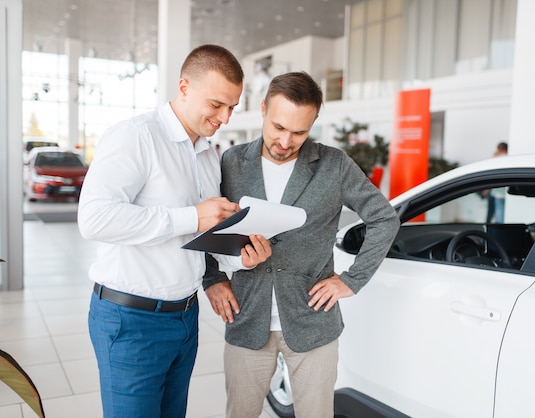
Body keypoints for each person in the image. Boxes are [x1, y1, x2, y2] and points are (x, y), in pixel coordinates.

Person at [77, 44, 271, 418]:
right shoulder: (135, 137)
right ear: (184, 88)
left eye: (231, 107)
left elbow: (202, 242)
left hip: (185, 317)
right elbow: (95, 218)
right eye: (216, 104)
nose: (225, 117)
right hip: (130, 320)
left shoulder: (209, 155)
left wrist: (242, 257)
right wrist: (191, 217)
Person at [202, 71, 400, 418]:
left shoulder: (334, 165)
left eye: (299, 132)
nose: (285, 141)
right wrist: (213, 279)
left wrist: (351, 280)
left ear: (314, 122)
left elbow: (384, 218)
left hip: (313, 324)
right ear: (262, 109)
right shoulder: (231, 162)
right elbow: (208, 224)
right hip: (246, 318)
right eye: (278, 127)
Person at [484, 141, 508, 223]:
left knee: (499, 215)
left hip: (499, 192)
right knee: (500, 212)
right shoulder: (509, 158)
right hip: (503, 192)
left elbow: (492, 173)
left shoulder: (499, 159)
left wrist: (494, 157)